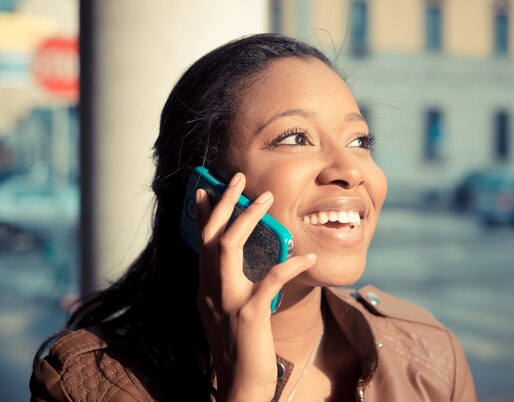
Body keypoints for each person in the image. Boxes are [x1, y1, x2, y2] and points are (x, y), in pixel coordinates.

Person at [30, 33, 477, 402]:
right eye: (295, 137)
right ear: (203, 194)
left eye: (359, 140)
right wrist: (245, 389)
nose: (350, 171)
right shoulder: (86, 385)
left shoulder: (431, 360)